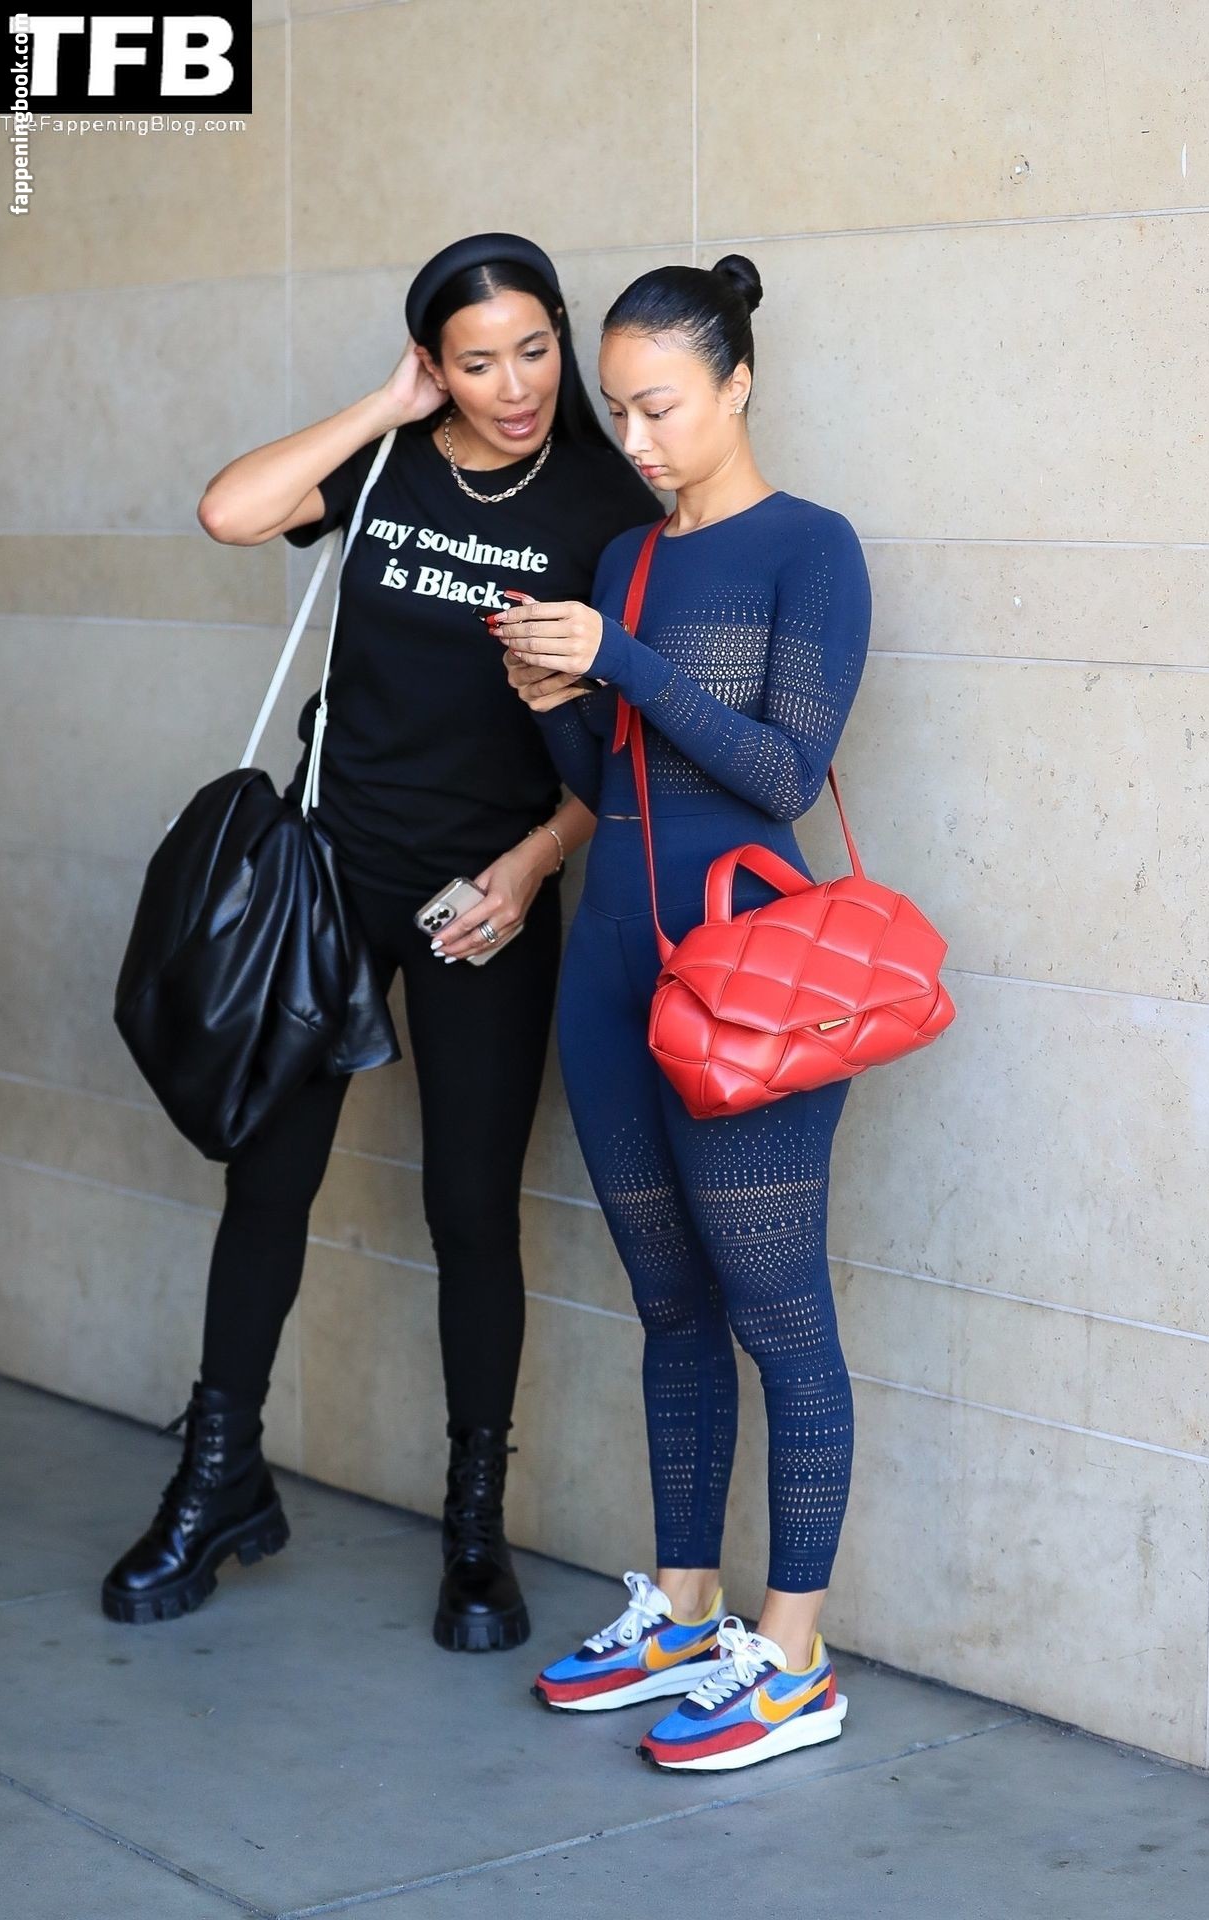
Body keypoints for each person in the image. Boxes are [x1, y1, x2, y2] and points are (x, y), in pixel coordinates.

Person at [101, 233, 656, 1652]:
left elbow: (624, 747)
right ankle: (218, 1478)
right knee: (267, 1184)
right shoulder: (392, 459)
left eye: (535, 350)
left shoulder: (607, 505)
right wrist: (383, 408)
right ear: (434, 365)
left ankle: (475, 1530)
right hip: (331, 880)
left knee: (469, 1210)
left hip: (485, 897)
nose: (516, 386)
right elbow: (230, 512)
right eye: (477, 362)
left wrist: (533, 867)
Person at [498, 254, 871, 1768]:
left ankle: (797, 1655)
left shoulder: (812, 549)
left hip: (748, 984)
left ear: (738, 384)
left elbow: (782, 771)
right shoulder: (624, 561)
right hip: (609, 969)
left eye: (660, 406)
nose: (636, 439)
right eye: (618, 410)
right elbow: (619, 783)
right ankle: (686, 1607)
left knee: (782, 1316)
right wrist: (558, 705)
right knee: (668, 1306)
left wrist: (621, 661)